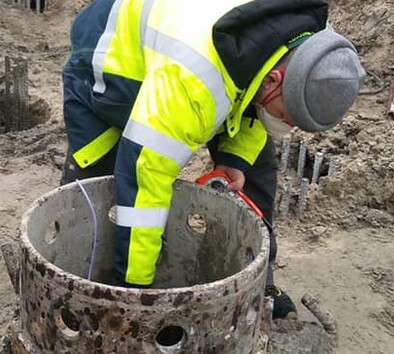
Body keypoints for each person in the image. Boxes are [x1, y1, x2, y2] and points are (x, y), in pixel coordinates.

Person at [60, 0, 365, 319]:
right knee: (96, 196)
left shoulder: (314, 43)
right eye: (286, 118)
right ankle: (85, 294)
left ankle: (260, 284)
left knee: (257, 167)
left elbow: (254, 94)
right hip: (112, 59)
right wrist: (137, 297)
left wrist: (235, 160)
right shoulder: (193, 83)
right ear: (275, 80)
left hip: (204, 50)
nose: (286, 129)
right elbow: (144, 176)